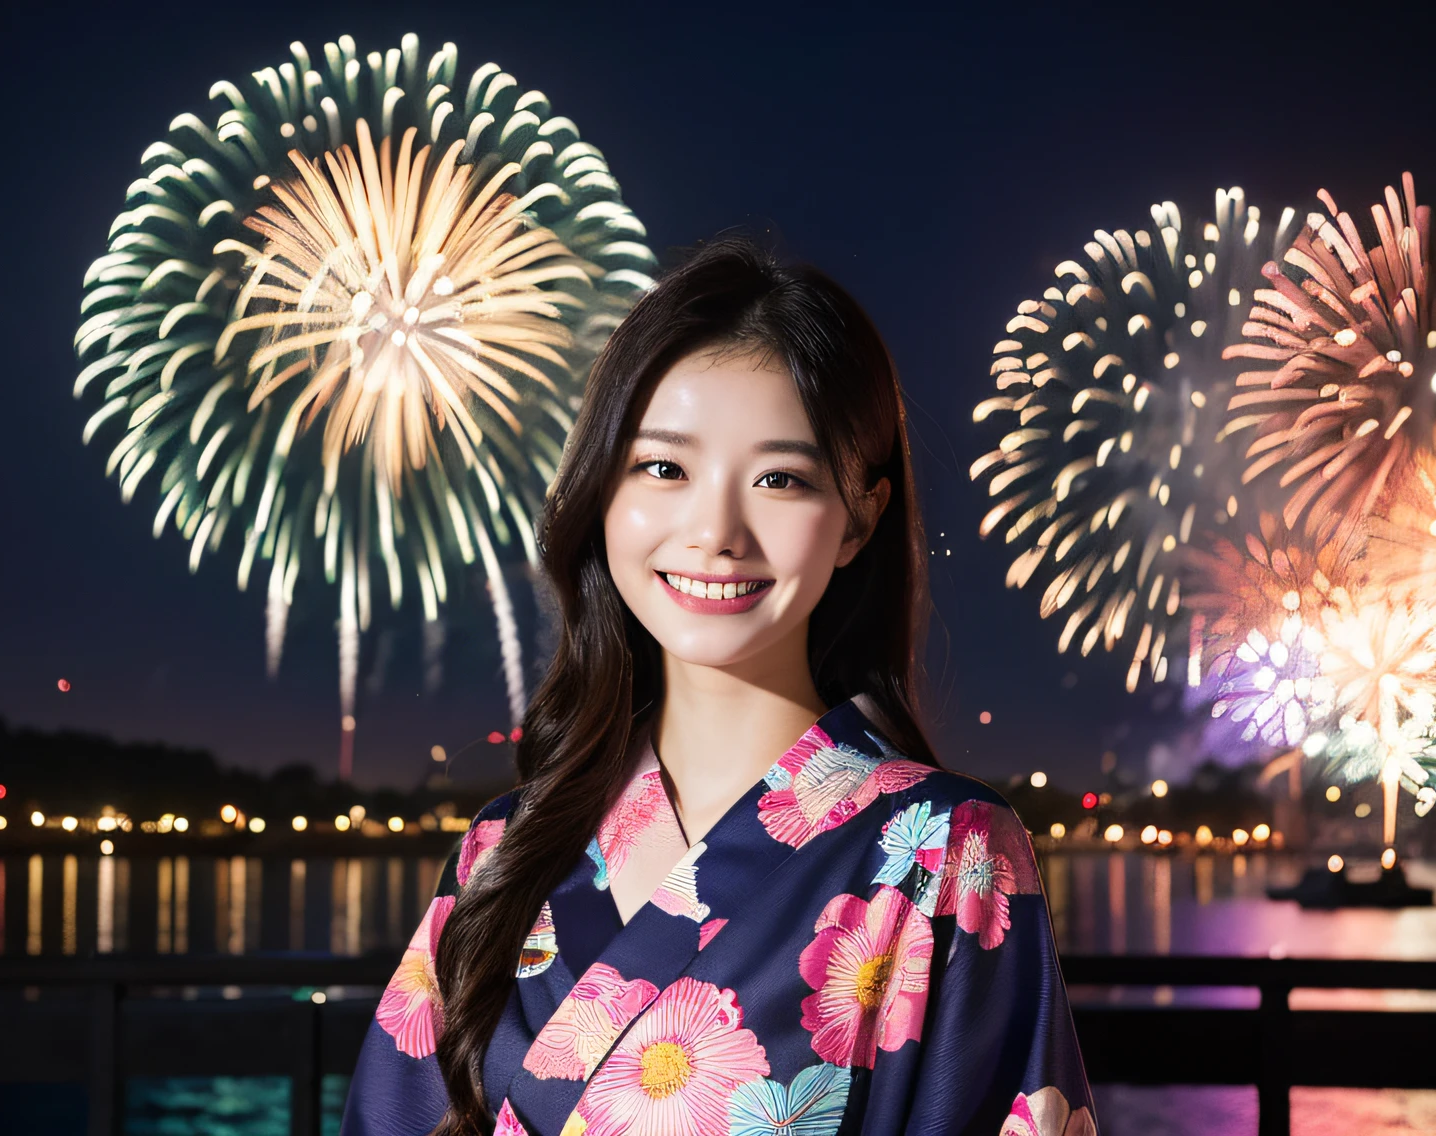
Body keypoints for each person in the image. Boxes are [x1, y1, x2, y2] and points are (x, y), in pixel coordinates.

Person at [341, 235, 1093, 1136]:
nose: (716, 531)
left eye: (781, 478)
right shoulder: (504, 851)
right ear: (603, 490)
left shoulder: (946, 852)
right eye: (664, 467)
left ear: (859, 519)